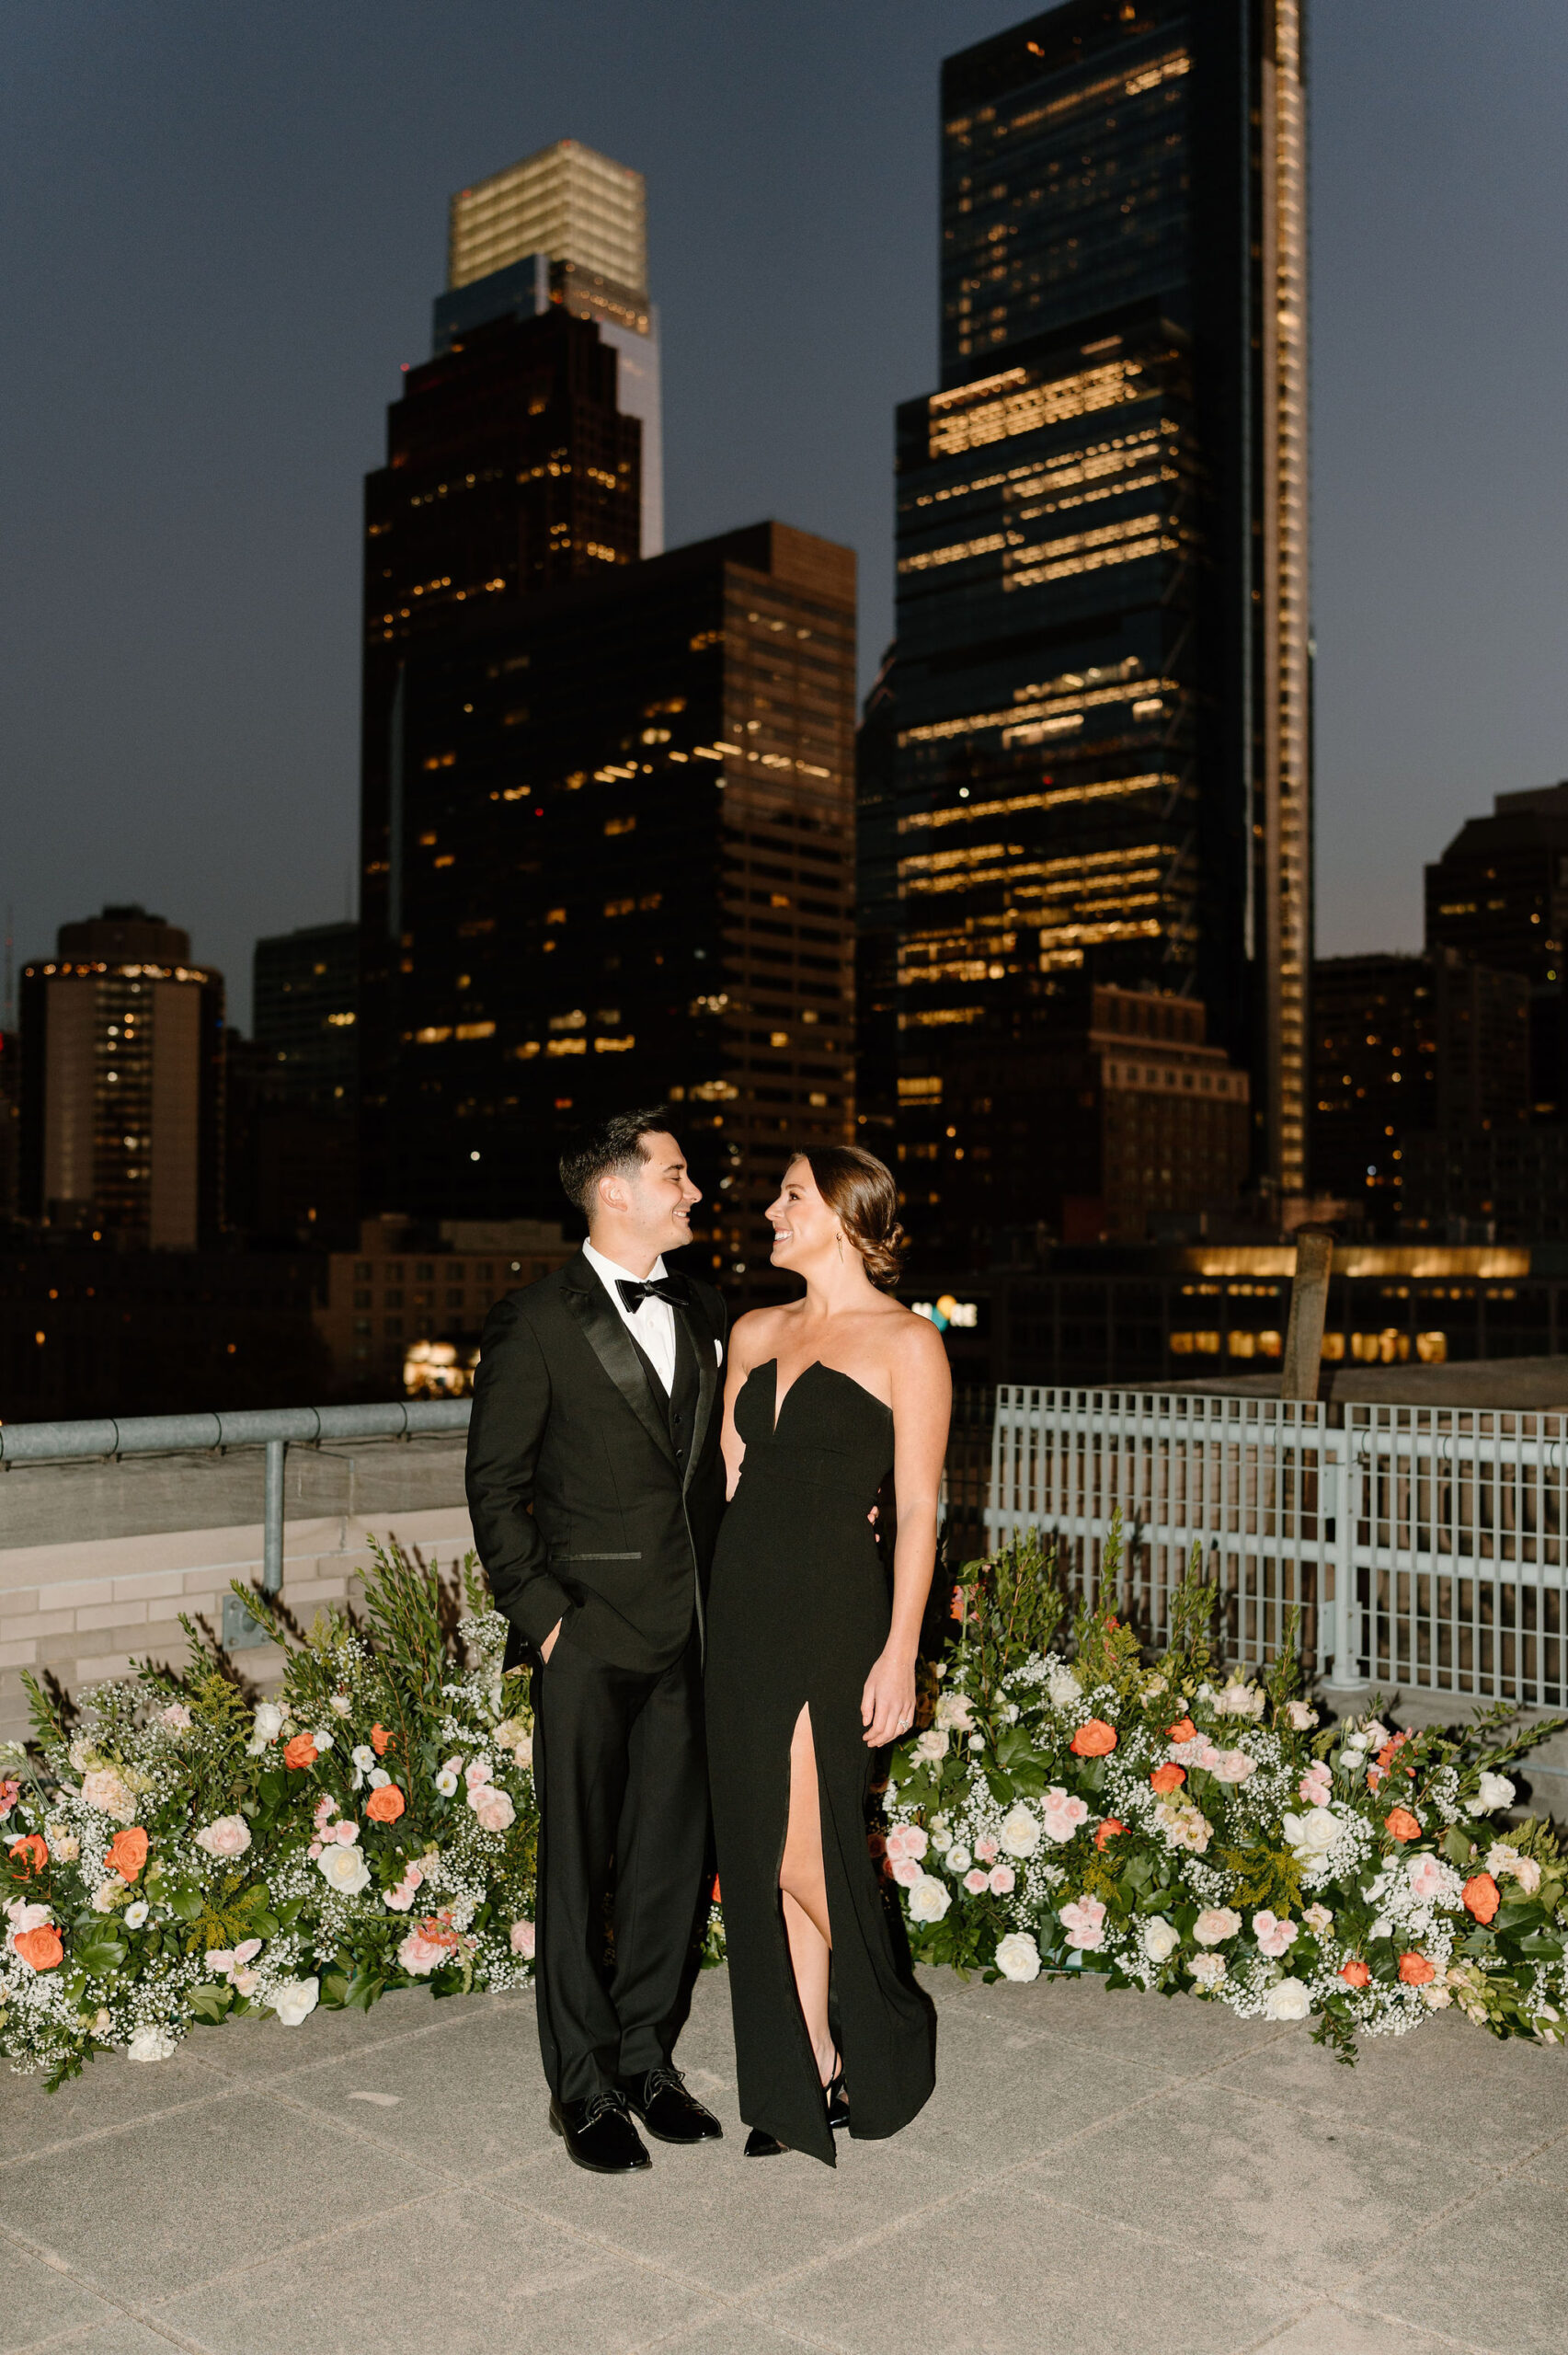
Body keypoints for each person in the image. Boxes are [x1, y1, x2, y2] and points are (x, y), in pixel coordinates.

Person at [464, 1108, 728, 2174]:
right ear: (614, 1190)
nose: (695, 1191)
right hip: (587, 1638)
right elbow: (495, 1488)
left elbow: (717, 1468)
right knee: (577, 1870)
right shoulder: (533, 1320)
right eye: (675, 1174)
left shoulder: (707, 1306)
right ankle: (579, 2089)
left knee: (671, 1862)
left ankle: (643, 2062)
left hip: (693, 1635)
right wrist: (549, 1624)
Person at [704, 1145, 951, 2164]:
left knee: (800, 1848)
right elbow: (730, 1475)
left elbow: (923, 1508)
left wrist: (900, 1651)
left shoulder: (908, 1343)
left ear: (847, 1215)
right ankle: (806, 2068)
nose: (770, 1209)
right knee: (758, 1846)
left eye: (791, 1195)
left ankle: (890, 2025)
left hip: (836, 1611)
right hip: (745, 1610)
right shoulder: (754, 1330)